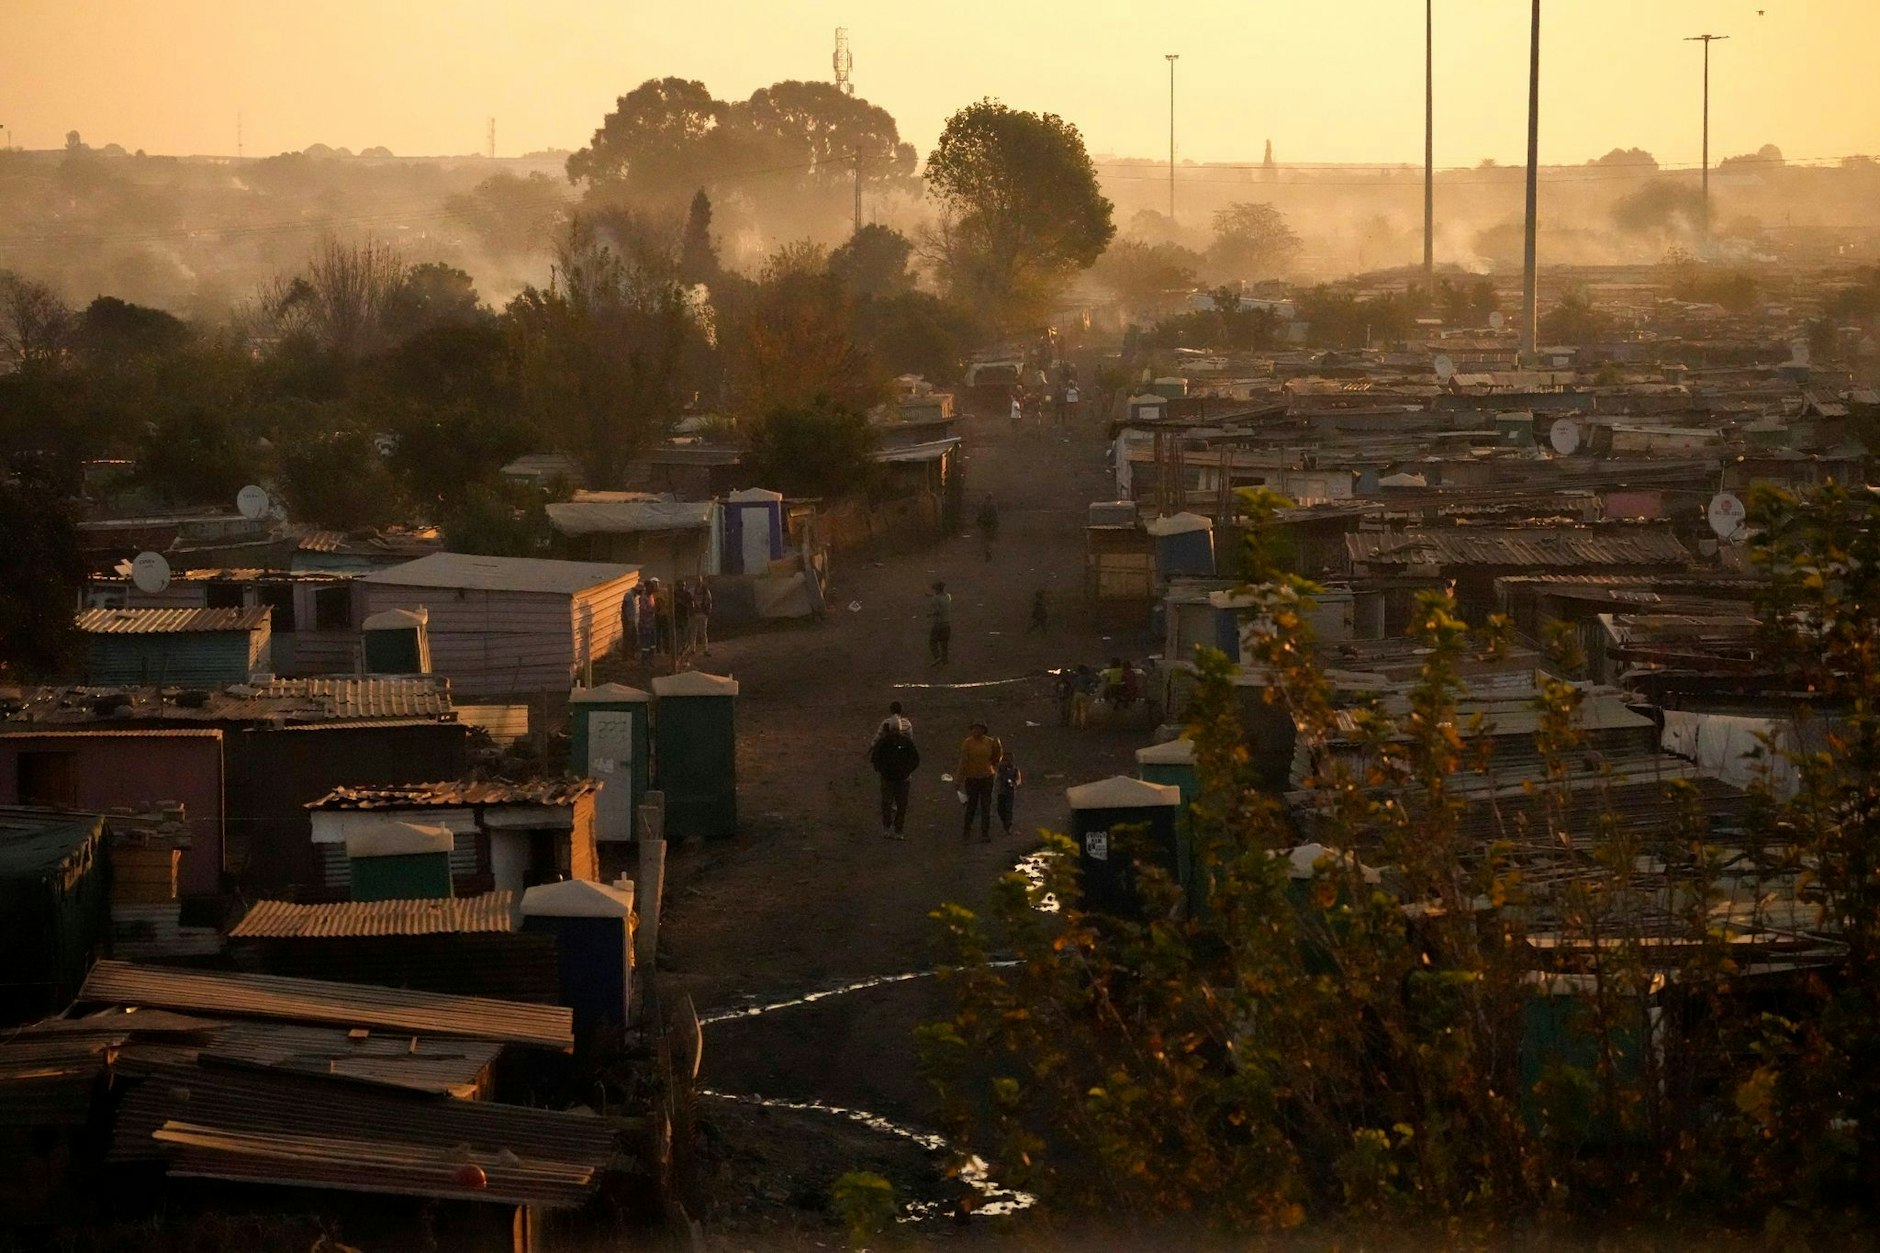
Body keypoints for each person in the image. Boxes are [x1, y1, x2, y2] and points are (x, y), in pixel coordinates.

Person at [868, 702, 920, 839]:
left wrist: (881, 769)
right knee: (901, 804)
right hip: (903, 776)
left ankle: (887, 828)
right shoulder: (907, 727)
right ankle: (898, 830)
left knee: (886, 802)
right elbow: (914, 756)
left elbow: (876, 749)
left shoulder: (884, 735)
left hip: (888, 776)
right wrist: (907, 770)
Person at [955, 722, 1004, 843]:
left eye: (978, 729)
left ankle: (984, 833)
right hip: (972, 777)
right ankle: (966, 833)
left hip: (987, 776)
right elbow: (963, 762)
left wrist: (998, 748)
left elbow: (997, 757)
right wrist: (958, 779)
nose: (976, 731)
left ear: (983, 730)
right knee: (971, 806)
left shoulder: (990, 742)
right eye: (974, 729)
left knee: (985, 806)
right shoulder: (968, 743)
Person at [995, 751, 1022, 837]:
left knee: (1008, 809)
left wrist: (1014, 784)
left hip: (1010, 792)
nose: (1006, 762)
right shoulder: (1000, 769)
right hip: (1001, 791)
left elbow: (1018, 780)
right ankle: (1005, 823)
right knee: (1000, 809)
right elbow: (997, 777)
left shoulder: (1015, 769)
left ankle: (1008, 826)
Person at [928, 580, 952, 665]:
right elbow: (943, 599)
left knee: (932, 641)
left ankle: (937, 657)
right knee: (944, 643)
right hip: (947, 624)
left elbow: (938, 611)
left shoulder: (935, 599)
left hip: (939, 624)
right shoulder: (948, 596)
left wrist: (930, 614)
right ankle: (945, 660)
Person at [636, 585, 658, 669]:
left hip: (651, 623)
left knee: (652, 644)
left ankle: (650, 661)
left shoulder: (651, 596)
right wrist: (654, 609)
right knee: (645, 645)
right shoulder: (643, 598)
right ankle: (644, 662)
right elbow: (645, 609)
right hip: (645, 624)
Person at [690, 578, 713, 655]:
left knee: (702, 633)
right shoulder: (693, 590)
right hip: (695, 613)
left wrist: (707, 612)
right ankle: (693, 649)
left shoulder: (705, 591)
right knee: (694, 632)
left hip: (702, 614)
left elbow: (709, 602)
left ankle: (705, 649)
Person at [977, 494, 999, 562]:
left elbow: (980, 515)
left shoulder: (982, 505)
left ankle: (986, 551)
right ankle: (989, 551)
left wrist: (979, 522)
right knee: (990, 539)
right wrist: (996, 523)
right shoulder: (993, 505)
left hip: (984, 523)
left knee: (984, 539)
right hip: (991, 523)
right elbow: (995, 515)